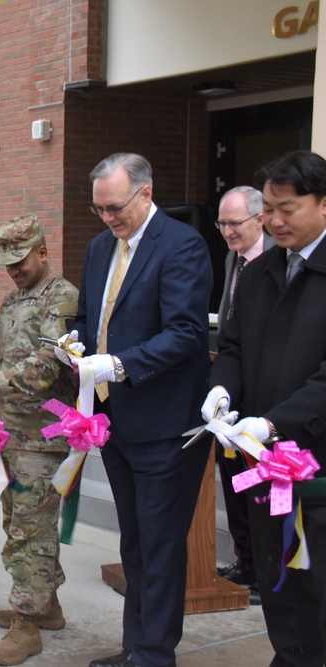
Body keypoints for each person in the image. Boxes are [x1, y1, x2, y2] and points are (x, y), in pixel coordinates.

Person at [73, 153, 212, 667]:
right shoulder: (98, 249)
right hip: (113, 422)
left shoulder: (181, 245)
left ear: (146, 193)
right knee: (133, 543)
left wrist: (121, 364)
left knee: (160, 546)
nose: (108, 219)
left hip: (162, 423)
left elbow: (186, 333)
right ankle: (136, 647)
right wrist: (76, 347)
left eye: (115, 208)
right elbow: (89, 317)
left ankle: (155, 655)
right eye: (100, 210)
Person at [207, 149, 326, 667]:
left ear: (323, 204)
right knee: (279, 581)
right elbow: (232, 346)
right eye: (269, 209)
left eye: (289, 208)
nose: (275, 221)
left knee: (315, 580)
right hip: (261, 462)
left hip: (315, 465)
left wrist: (277, 421)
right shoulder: (256, 273)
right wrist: (223, 390)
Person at [0, 215, 77, 665]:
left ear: (43, 252)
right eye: (7, 262)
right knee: (21, 520)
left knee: (31, 527)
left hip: (44, 432)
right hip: (10, 430)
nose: (13, 269)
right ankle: (47, 606)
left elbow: (50, 363)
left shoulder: (61, 297)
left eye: (21, 260)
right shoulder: (12, 301)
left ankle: (26, 623)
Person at [212, 185, 274, 594]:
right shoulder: (233, 260)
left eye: (236, 223)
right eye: (223, 224)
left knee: (261, 487)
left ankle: (266, 565)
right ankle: (246, 560)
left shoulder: (275, 263)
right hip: (231, 392)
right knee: (234, 479)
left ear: (260, 220)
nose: (228, 231)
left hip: (267, 400)